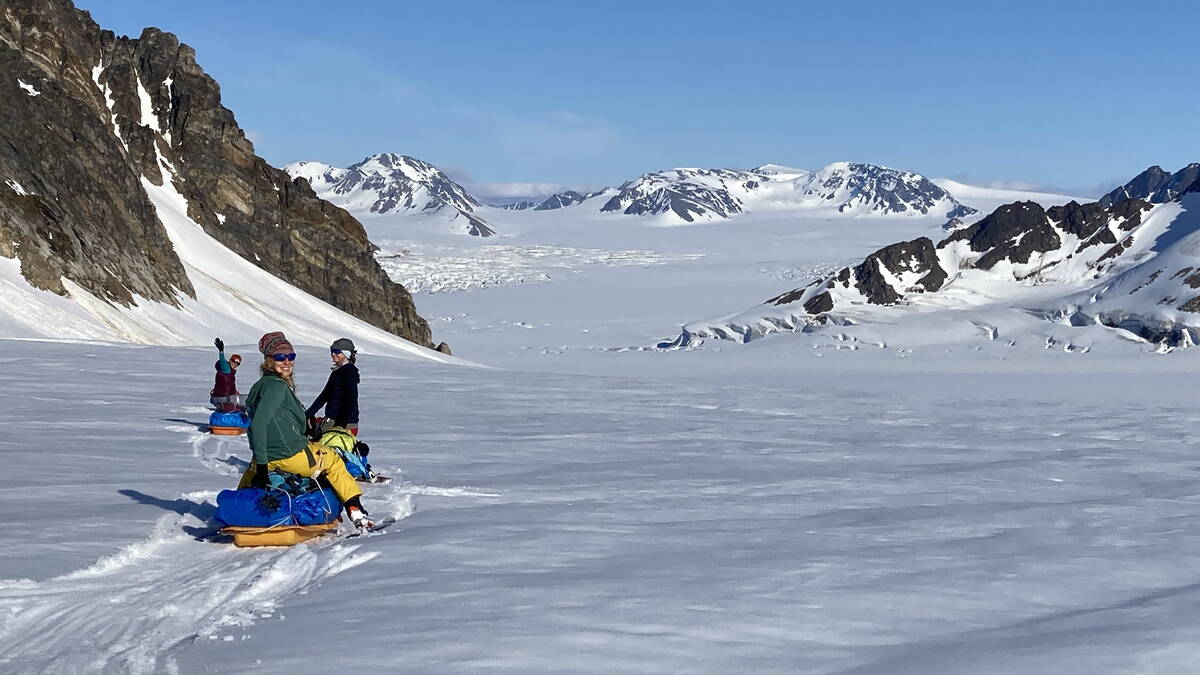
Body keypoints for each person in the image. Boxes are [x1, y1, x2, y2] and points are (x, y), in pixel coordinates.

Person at [237, 331, 373, 529]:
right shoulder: (277, 387)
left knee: (248, 482)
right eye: (280, 357)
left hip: (265, 456)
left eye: (291, 357)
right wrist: (263, 466)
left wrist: (261, 464)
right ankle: (355, 509)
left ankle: (238, 513)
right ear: (268, 360)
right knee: (333, 460)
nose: (287, 361)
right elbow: (259, 423)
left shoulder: (260, 385)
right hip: (289, 454)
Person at [307, 337, 360, 435]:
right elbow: (325, 395)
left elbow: (351, 398)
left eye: (337, 351)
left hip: (342, 423)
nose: (333, 354)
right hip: (335, 421)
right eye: (331, 351)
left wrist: (341, 424)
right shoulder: (338, 371)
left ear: (346, 353)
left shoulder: (348, 371)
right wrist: (309, 414)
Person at [209, 337, 243, 412]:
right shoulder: (226, 369)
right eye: (234, 361)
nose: (235, 364)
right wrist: (221, 352)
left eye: (238, 363)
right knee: (243, 405)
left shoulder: (229, 371)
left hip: (220, 396)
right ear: (230, 360)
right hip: (224, 397)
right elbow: (223, 362)